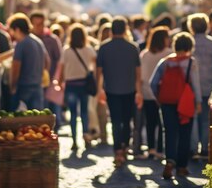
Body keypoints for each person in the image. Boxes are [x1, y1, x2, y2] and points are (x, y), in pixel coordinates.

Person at [150, 32, 202, 179]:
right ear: (190, 46)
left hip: (167, 102)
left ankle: (169, 163)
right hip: (185, 103)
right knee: (185, 133)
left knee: (170, 132)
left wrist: (159, 97)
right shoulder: (191, 62)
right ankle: (182, 167)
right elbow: (196, 84)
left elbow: (153, 83)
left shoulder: (165, 62)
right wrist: (198, 102)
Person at [96, 17, 143, 167]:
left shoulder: (103, 47)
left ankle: (117, 150)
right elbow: (138, 73)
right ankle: (124, 147)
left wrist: (99, 90)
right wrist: (139, 92)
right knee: (126, 121)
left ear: (111, 30)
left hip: (111, 89)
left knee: (115, 121)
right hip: (129, 89)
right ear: (125, 29)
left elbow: (99, 72)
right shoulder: (133, 47)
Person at [187, 14, 212, 158]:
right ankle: (204, 147)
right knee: (206, 118)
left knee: (192, 117)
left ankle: (192, 148)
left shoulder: (188, 43)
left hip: (191, 86)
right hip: (210, 85)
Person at [58, 23, 97, 150]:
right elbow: (94, 65)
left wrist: (59, 81)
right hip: (84, 84)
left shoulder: (67, 50)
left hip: (71, 85)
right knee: (84, 112)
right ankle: (85, 136)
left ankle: (74, 140)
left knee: (73, 113)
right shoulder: (89, 49)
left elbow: (62, 68)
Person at [139, 26, 172, 159]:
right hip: (163, 93)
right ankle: (160, 149)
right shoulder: (169, 53)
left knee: (150, 122)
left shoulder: (145, 54)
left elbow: (141, 76)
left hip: (147, 92)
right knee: (162, 123)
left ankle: (151, 148)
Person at [7, 13, 50, 110]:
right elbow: (47, 62)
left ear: (17, 29)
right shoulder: (38, 41)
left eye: (12, 30)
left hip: (23, 88)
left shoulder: (21, 44)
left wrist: (12, 86)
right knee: (37, 120)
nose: (12, 34)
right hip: (38, 87)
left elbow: (16, 68)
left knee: (20, 120)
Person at [30, 11, 63, 124]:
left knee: (50, 110)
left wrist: (56, 79)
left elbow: (59, 60)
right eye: (37, 24)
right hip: (33, 81)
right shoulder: (28, 39)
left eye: (42, 24)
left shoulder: (52, 40)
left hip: (50, 81)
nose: (39, 27)